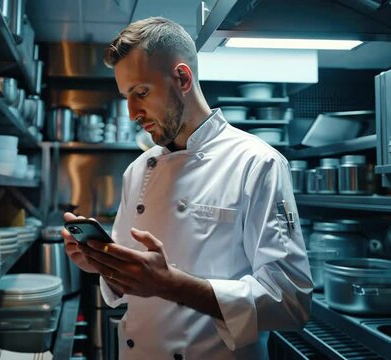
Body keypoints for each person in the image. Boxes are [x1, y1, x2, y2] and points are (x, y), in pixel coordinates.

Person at [61, 17, 313, 359]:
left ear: (182, 78)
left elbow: (291, 302)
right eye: (126, 97)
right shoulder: (137, 170)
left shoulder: (258, 163)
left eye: (141, 93)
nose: (133, 112)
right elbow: (134, 280)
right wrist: (102, 265)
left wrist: (172, 285)